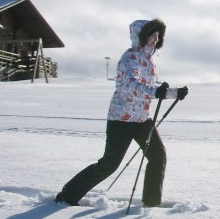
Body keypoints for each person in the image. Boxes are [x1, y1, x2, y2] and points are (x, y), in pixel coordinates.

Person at [55, 18, 189, 207]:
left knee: (158, 156)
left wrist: (174, 93)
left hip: (142, 118)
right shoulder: (129, 58)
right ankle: (68, 194)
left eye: (158, 36)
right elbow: (130, 86)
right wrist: (155, 92)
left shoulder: (149, 61)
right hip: (122, 118)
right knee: (109, 165)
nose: (155, 40)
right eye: (152, 35)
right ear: (141, 36)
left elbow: (151, 87)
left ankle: (151, 202)